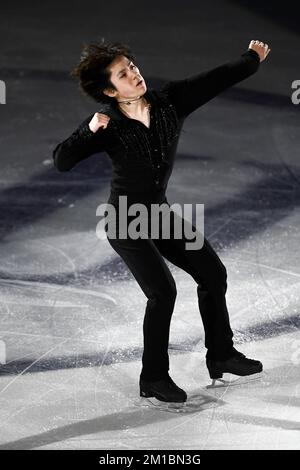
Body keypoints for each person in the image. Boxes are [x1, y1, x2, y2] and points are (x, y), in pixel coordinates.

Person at [53, 38, 271, 403]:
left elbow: (212, 80)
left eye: (133, 67)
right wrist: (86, 131)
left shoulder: (169, 101)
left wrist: (251, 59)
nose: (135, 74)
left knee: (212, 274)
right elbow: (62, 160)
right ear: (110, 89)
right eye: (124, 74)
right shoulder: (108, 123)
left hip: (157, 213)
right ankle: (153, 377)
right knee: (163, 292)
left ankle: (221, 354)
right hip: (124, 220)